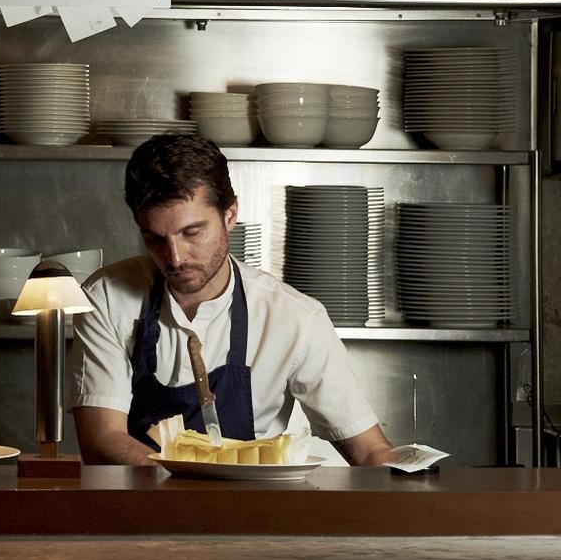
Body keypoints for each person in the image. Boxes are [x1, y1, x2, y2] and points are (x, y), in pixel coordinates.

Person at [67, 134, 394, 466]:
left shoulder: (294, 318)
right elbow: (102, 440)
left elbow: (368, 450)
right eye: (155, 239)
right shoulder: (106, 298)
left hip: (251, 511)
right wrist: (202, 486)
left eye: (191, 232)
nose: (175, 257)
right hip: (138, 510)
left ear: (230, 214)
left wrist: (404, 476)